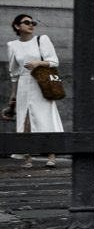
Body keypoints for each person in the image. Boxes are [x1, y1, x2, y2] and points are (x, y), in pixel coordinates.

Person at [6, 14, 62, 169]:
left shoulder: (42, 39)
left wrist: (37, 63)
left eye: (33, 23)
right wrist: (13, 96)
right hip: (24, 84)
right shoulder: (12, 45)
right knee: (25, 120)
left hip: (41, 83)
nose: (31, 25)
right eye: (26, 22)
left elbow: (54, 61)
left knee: (46, 117)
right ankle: (28, 158)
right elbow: (14, 73)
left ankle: (51, 156)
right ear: (17, 26)